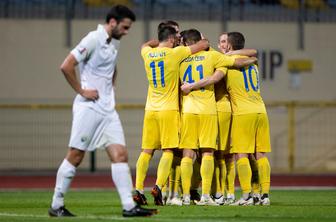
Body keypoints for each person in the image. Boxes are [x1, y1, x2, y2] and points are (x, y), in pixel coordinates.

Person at [48, 5, 157, 217]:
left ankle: (129, 207)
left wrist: (111, 88)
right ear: (113, 22)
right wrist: (82, 90)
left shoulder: (112, 43)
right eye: (125, 27)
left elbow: (112, 68)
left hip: (108, 110)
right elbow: (67, 65)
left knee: (120, 155)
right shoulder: (93, 39)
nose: (126, 32)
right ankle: (56, 205)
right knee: (76, 156)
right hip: (89, 108)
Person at [181, 32, 271, 206]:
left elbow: (215, 78)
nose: (221, 45)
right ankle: (263, 194)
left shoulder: (224, 62)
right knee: (259, 154)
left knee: (235, 155)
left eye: (224, 42)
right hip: (260, 109)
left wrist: (190, 86)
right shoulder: (252, 61)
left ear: (229, 45)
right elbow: (254, 52)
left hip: (240, 112)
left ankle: (242, 195)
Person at [137, 26, 209, 206]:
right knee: (168, 150)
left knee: (146, 151)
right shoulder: (175, 53)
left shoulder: (147, 53)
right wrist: (201, 39)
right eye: (176, 37)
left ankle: (138, 188)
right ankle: (159, 186)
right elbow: (203, 44)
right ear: (170, 39)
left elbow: (145, 44)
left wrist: (158, 41)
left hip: (150, 109)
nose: (178, 39)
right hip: (168, 110)